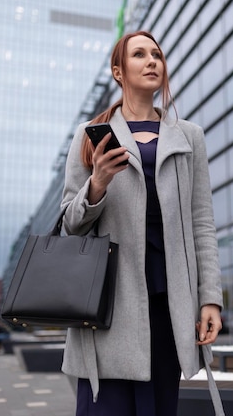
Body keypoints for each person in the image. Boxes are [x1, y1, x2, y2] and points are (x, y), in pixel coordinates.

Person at [60, 31, 224, 416]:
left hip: (170, 303)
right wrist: (97, 183)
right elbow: (70, 224)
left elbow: (202, 223)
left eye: (157, 55)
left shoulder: (189, 138)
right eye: (139, 55)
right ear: (119, 71)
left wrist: (210, 298)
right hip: (107, 306)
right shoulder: (90, 136)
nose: (152, 61)